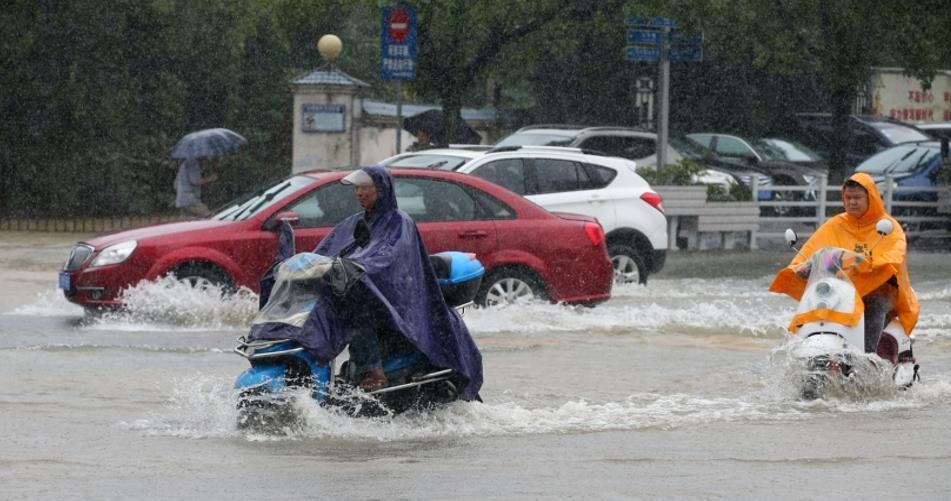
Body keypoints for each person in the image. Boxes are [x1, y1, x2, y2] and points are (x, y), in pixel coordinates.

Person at [305, 166, 483, 396]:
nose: (359, 193)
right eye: (357, 188)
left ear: (381, 189)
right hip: (371, 285)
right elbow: (330, 249)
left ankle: (373, 371)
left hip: (396, 293)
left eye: (365, 188)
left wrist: (360, 267)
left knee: (357, 306)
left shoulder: (399, 222)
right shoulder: (356, 222)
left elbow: (386, 256)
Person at [769, 172, 920, 354]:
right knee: (818, 304)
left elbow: (894, 254)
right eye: (848, 198)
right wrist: (801, 267)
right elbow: (814, 250)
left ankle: (868, 357)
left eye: (857, 197)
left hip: (882, 288)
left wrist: (869, 264)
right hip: (844, 289)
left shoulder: (888, 227)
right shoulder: (835, 224)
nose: (852, 202)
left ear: (870, 198)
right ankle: (798, 352)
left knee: (875, 303)